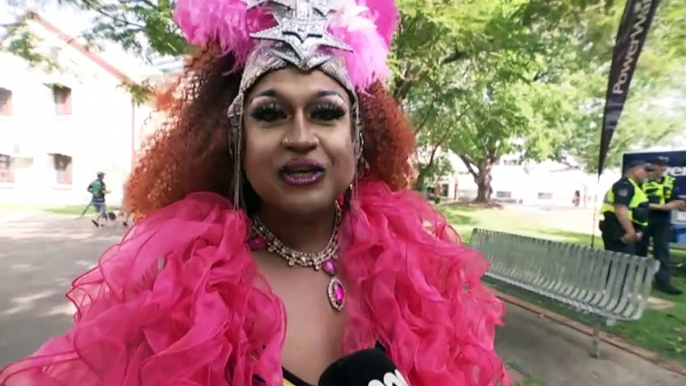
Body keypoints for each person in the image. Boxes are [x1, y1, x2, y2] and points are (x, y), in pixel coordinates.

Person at [0, 1, 509, 385]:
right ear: (235, 139)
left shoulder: (416, 271)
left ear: (358, 137)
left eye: (327, 112)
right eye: (270, 113)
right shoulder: (178, 289)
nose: (301, 136)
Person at [636, 156, 684, 295]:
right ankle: (637, 280)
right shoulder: (642, 181)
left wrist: (678, 204)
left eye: (665, 165)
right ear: (651, 166)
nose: (662, 168)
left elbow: (675, 199)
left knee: (662, 251)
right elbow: (636, 202)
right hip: (644, 218)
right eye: (659, 165)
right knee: (640, 251)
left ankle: (663, 282)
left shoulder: (670, 181)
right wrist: (660, 207)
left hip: (663, 220)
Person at [599, 160, 651, 254]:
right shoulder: (625, 185)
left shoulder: (633, 186)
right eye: (646, 170)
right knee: (620, 264)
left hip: (623, 229)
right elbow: (620, 209)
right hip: (618, 229)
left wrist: (638, 230)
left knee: (626, 263)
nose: (647, 174)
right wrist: (630, 231)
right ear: (635, 170)